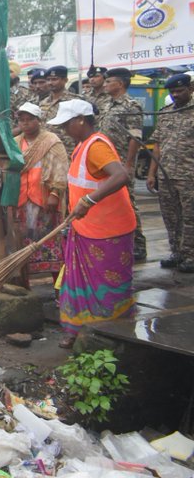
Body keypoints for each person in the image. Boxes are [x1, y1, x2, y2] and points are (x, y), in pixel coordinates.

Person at [49, 99, 136, 347]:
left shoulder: (97, 146)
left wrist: (89, 199)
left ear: (80, 120)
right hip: (84, 228)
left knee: (106, 284)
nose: (65, 130)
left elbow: (121, 175)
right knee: (78, 282)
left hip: (108, 231)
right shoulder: (81, 145)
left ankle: (110, 333)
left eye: (67, 125)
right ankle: (77, 329)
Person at [13, 103, 67, 284]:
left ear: (39, 121)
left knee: (52, 246)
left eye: (30, 120)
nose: (26, 123)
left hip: (44, 200)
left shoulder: (51, 141)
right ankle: (25, 285)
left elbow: (60, 169)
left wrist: (55, 194)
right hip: (21, 200)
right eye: (22, 120)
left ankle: (59, 289)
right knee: (22, 247)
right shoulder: (15, 143)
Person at [148, 72, 194, 273]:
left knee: (190, 218)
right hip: (166, 175)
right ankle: (177, 252)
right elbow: (157, 145)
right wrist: (152, 173)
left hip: (189, 176)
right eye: (173, 91)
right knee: (170, 216)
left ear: (190, 90)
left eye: (180, 90)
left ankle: (191, 255)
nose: (176, 94)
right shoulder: (165, 112)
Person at [98, 68, 146, 261]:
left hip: (121, 163)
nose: (105, 84)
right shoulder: (105, 104)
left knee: (128, 203)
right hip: (106, 163)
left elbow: (135, 138)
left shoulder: (131, 106)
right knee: (110, 203)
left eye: (109, 81)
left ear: (120, 83)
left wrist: (128, 165)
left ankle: (139, 245)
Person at [38, 66, 76, 157]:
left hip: (67, 150)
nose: (50, 83)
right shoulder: (43, 102)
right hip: (46, 150)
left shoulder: (74, 101)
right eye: (48, 80)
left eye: (54, 79)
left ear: (65, 80)